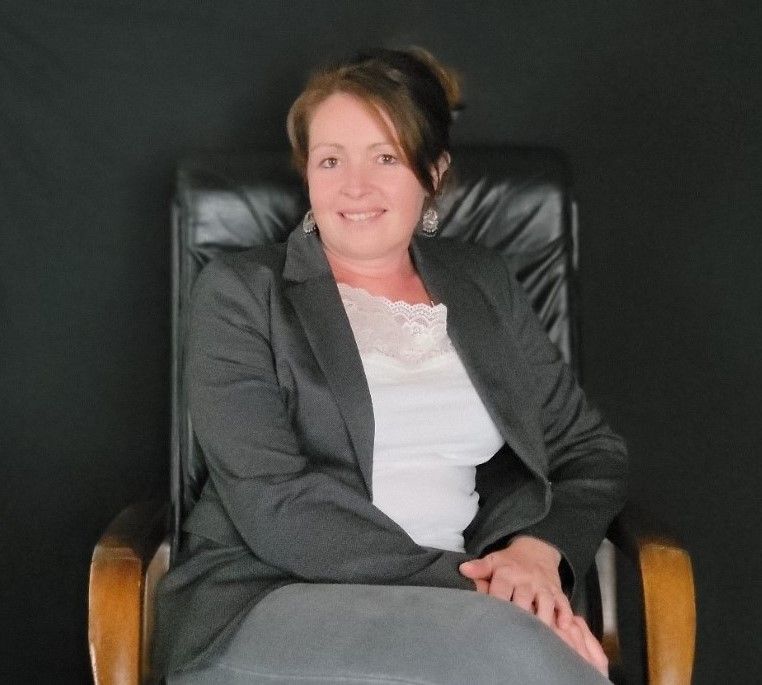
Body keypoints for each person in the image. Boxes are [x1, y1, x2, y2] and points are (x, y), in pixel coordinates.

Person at [154, 48, 627, 684]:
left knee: (516, 660)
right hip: (278, 593)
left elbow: (588, 452)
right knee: (520, 661)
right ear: (308, 174)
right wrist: (483, 591)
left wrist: (536, 555)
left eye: (385, 157)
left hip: (471, 609)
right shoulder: (242, 293)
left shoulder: (482, 284)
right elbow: (275, 502)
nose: (354, 187)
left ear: (433, 171)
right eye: (330, 160)